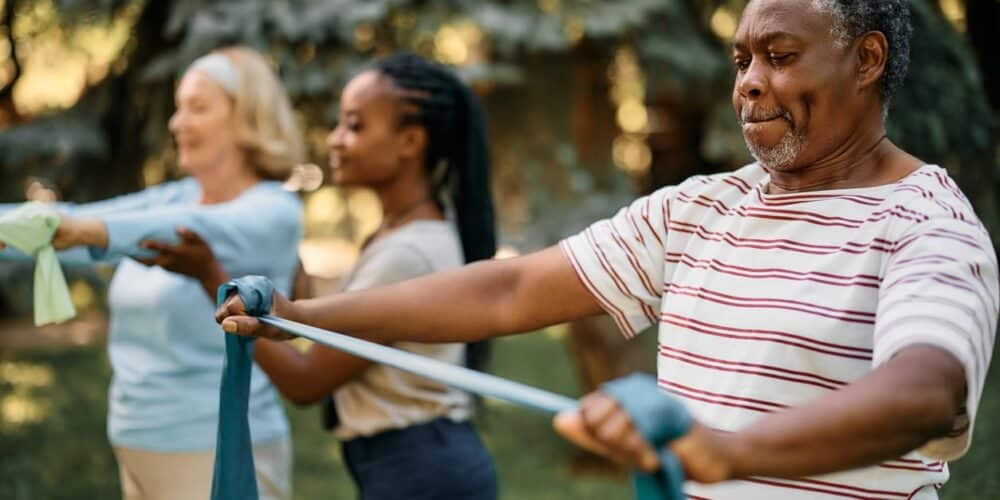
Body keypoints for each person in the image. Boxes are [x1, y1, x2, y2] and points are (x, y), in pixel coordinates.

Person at [218, 1, 997, 498]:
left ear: (866, 60)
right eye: (742, 61)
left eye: (781, 56)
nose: (750, 84)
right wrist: (302, 314)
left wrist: (726, 455)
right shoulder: (701, 208)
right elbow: (508, 291)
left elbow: (929, 393)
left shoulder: (926, 224)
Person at [149, 53, 499, 500]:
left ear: (410, 141)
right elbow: (327, 334)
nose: (335, 140)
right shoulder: (400, 232)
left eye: (354, 126)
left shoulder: (408, 254)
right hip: (413, 461)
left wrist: (208, 276)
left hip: (422, 471)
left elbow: (306, 381)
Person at [1, 47, 303, 500]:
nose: (177, 124)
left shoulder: (273, 209)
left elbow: (173, 232)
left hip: (219, 447)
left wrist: (84, 229)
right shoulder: (175, 196)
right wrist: (53, 226)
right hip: (136, 443)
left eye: (198, 108)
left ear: (248, 118)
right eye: (178, 108)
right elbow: (75, 225)